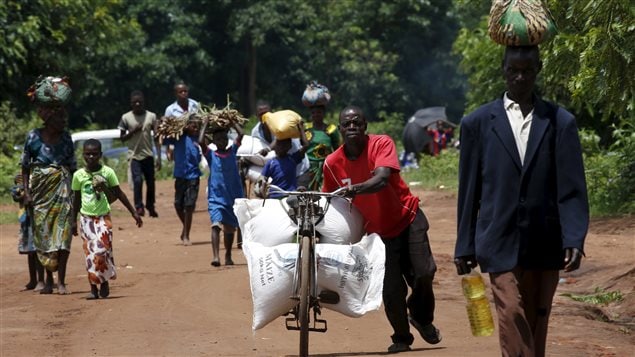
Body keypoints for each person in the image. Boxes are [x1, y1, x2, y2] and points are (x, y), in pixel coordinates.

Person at [454, 45, 589, 357]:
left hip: (545, 238)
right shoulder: (477, 123)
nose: (520, 77)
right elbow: (469, 190)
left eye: (527, 70)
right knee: (511, 311)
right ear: (503, 69)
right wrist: (465, 245)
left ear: (538, 69)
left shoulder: (560, 122)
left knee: (536, 317)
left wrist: (575, 237)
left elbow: (571, 189)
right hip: (497, 237)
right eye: (513, 70)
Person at [322, 106, 441, 353]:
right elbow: (330, 201)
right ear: (341, 129)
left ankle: (421, 317)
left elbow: (382, 178)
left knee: (424, 273)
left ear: (365, 126)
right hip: (377, 235)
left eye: (357, 122)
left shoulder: (381, 144)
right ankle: (401, 337)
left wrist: (354, 189)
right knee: (391, 289)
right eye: (347, 124)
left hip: (407, 218)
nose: (352, 127)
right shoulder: (332, 163)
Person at [71, 139, 142, 299]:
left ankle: (104, 282)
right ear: (83, 155)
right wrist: (72, 222)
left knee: (102, 250)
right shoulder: (78, 175)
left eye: (94, 154)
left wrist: (133, 212)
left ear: (100, 155)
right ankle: (93, 288)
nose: (91, 157)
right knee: (89, 253)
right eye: (87, 154)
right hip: (86, 219)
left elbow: (118, 194)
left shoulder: (107, 172)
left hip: (103, 218)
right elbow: (75, 200)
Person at [21, 105, 76, 295]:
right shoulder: (33, 137)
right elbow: (25, 167)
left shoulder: (67, 138)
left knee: (63, 235)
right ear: (50, 119)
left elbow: (73, 167)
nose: (64, 122)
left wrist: (76, 194)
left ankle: (61, 281)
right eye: (61, 118)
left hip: (63, 191)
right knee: (43, 237)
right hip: (40, 194)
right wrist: (27, 193)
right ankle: (48, 280)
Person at [199, 121, 244, 266]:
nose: (222, 141)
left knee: (230, 228)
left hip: (232, 197)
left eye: (224, 138)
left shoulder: (233, 151)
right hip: (216, 197)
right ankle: (216, 256)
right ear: (213, 141)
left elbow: (241, 134)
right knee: (216, 225)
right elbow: (200, 141)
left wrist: (233, 122)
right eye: (218, 139)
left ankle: (228, 255)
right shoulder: (211, 155)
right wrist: (205, 125)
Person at [118, 90, 161, 218]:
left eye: (140, 102)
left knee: (151, 182)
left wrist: (159, 156)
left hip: (148, 155)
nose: (137, 104)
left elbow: (156, 137)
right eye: (134, 102)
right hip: (134, 155)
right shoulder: (126, 117)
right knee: (137, 181)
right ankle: (139, 206)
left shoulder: (151, 116)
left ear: (143, 102)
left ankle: (150, 205)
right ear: (131, 104)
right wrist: (133, 131)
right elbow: (122, 138)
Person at [162, 116, 202, 246]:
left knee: (189, 206)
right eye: (193, 126)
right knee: (178, 204)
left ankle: (186, 235)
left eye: (197, 126)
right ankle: (186, 227)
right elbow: (163, 139)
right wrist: (161, 124)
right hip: (180, 175)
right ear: (186, 125)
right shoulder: (178, 138)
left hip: (193, 176)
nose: (195, 128)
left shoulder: (199, 139)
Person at [251, 100, 310, 181]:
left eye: (266, 113)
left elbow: (278, 139)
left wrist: (268, 149)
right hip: (282, 172)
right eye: (261, 114)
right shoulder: (255, 132)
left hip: (299, 168)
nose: (264, 116)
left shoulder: (280, 125)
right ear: (256, 115)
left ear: (271, 113)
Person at [255, 122, 309, 199]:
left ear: (289, 146)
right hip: (274, 195)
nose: (280, 147)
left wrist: (301, 129)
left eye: (284, 145)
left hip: (290, 195)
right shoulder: (271, 163)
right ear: (274, 146)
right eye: (278, 144)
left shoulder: (293, 159)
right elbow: (263, 180)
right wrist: (262, 191)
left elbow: (306, 145)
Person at [11, 174, 45, 291]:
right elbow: (16, 197)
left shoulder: (40, 177)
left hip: (39, 219)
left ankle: (41, 280)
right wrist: (20, 187)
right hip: (27, 221)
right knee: (30, 252)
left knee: (38, 251)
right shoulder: (22, 181)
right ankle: (33, 280)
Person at [302, 104, 340, 190]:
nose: (316, 115)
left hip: (325, 167)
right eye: (313, 112)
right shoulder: (306, 128)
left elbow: (337, 149)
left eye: (319, 112)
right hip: (308, 167)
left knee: (325, 192)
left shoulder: (331, 129)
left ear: (323, 113)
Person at [164, 83, 200, 161]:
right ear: (176, 94)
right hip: (179, 142)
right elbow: (167, 131)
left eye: (185, 91)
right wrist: (168, 149)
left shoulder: (195, 105)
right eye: (180, 92)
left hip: (194, 140)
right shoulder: (170, 110)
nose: (183, 93)